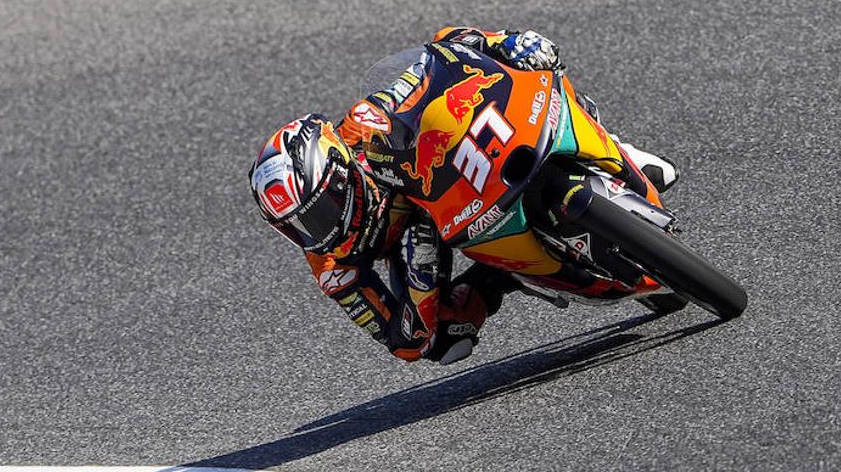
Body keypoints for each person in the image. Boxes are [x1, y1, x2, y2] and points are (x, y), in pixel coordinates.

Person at [248, 27, 678, 365]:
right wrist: (420, 282)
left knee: (528, 72)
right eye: (295, 227)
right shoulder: (332, 265)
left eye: (317, 213)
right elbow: (403, 343)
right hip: (420, 238)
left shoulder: (365, 125)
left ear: (340, 173)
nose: (315, 232)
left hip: (446, 182)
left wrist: (501, 43)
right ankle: (505, 276)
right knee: (444, 343)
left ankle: (608, 144)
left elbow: (437, 58)